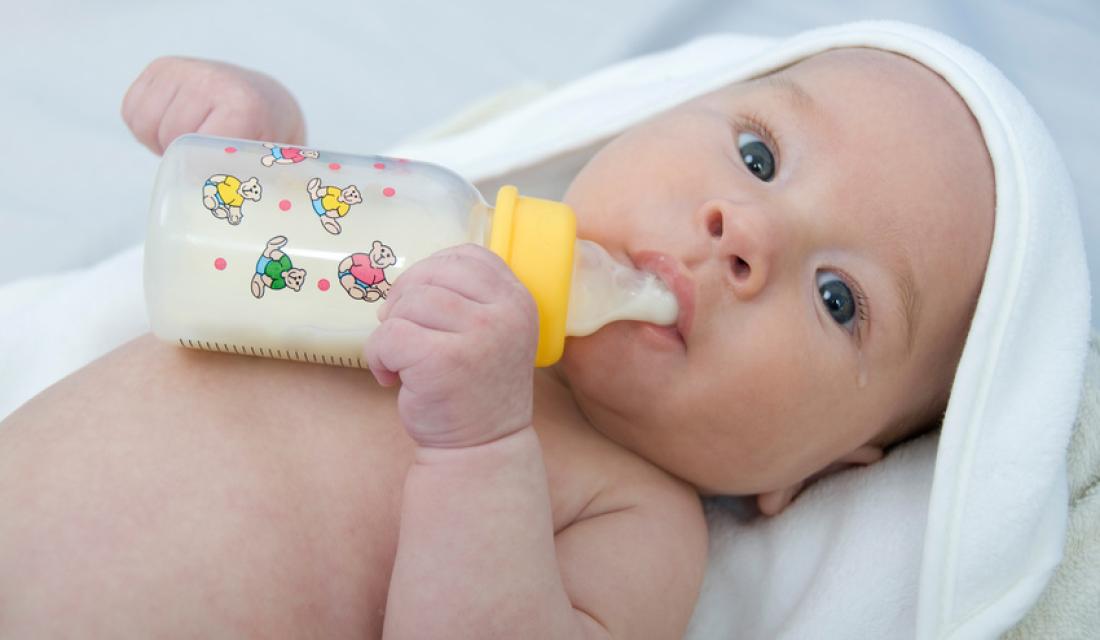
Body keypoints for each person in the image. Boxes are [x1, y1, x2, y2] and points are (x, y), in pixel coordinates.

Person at [0, 44, 993, 638]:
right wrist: (255, 152)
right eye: (756, 155)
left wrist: (478, 453)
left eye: (835, 298)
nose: (748, 233)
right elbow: (263, 264)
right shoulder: (430, 233)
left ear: (818, 468)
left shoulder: (632, 511)